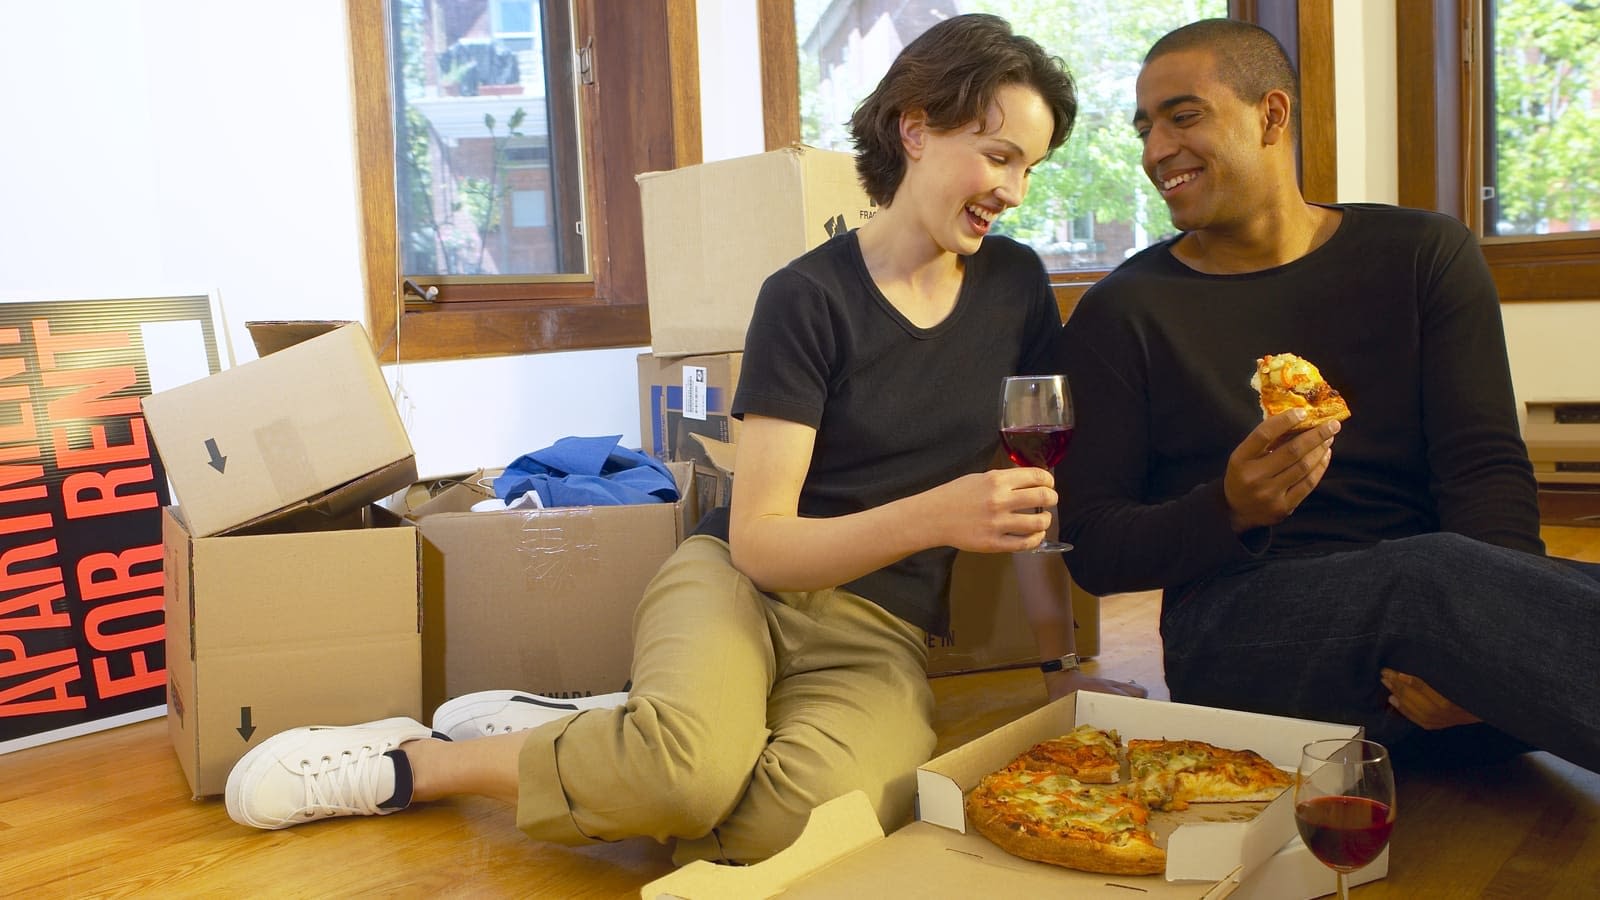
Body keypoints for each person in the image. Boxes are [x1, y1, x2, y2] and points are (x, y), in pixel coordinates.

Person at [224, 13, 1142, 863]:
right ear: (915, 130)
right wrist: (939, 513)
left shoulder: (1016, 286)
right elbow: (764, 543)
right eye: (999, 156)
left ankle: (623, 733)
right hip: (742, 585)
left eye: (1033, 167)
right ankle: (415, 764)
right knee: (686, 775)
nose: (1016, 191)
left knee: (799, 825)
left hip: (879, 629)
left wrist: (1056, 673)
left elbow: (1031, 487)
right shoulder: (808, 298)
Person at [1057, 17, 1600, 773]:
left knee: (1461, 581)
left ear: (1271, 115)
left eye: (1184, 117)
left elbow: (1483, 468)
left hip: (1436, 615)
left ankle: (1475, 705)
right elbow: (1093, 545)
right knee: (1432, 577)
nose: (1154, 152)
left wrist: (1489, 653)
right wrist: (1230, 507)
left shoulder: (1424, 256)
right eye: (1144, 128)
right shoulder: (1123, 312)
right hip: (1241, 632)